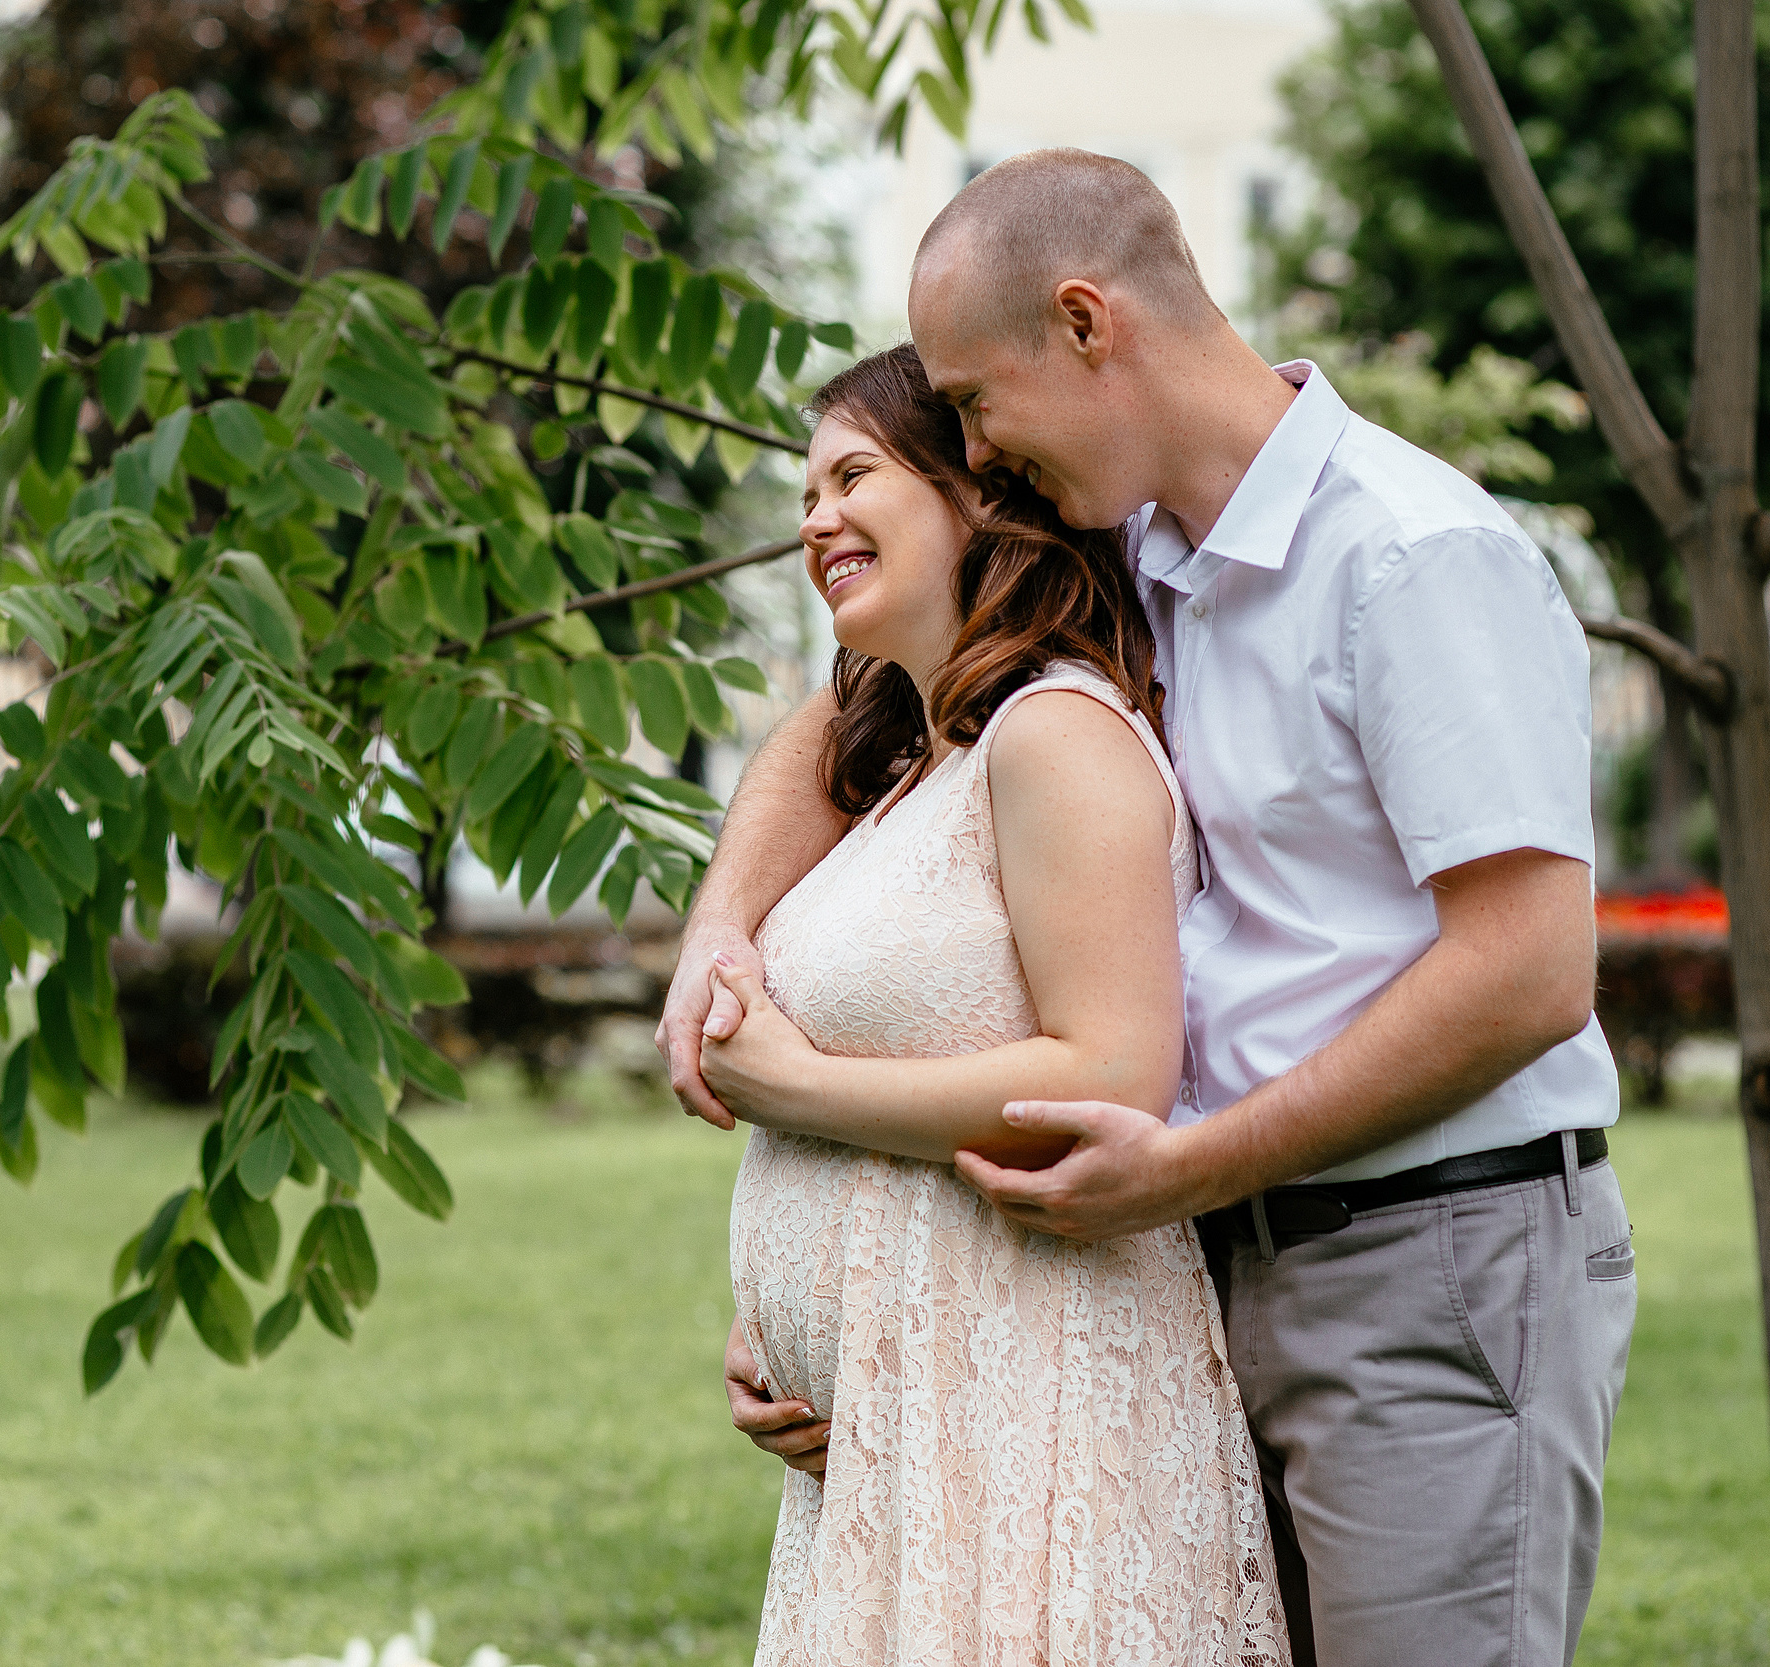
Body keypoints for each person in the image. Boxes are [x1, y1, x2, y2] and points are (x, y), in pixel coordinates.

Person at [664, 150, 1637, 1667]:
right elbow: (842, 711)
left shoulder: (1409, 555)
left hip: (1433, 1251)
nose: (976, 456)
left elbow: (1529, 972)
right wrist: (721, 933)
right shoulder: (1136, 545)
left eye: (977, 404)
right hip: (1194, 1271)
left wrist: (1187, 1165)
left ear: (1085, 322)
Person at [703, 343, 1288, 1665]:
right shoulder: (916, 764)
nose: (815, 519)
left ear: (976, 496)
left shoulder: (1054, 734)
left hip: (1035, 1409)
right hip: (912, 1426)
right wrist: (794, 1333)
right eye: (804, 494)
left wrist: (792, 1090)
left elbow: (1108, 1073)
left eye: (853, 475)